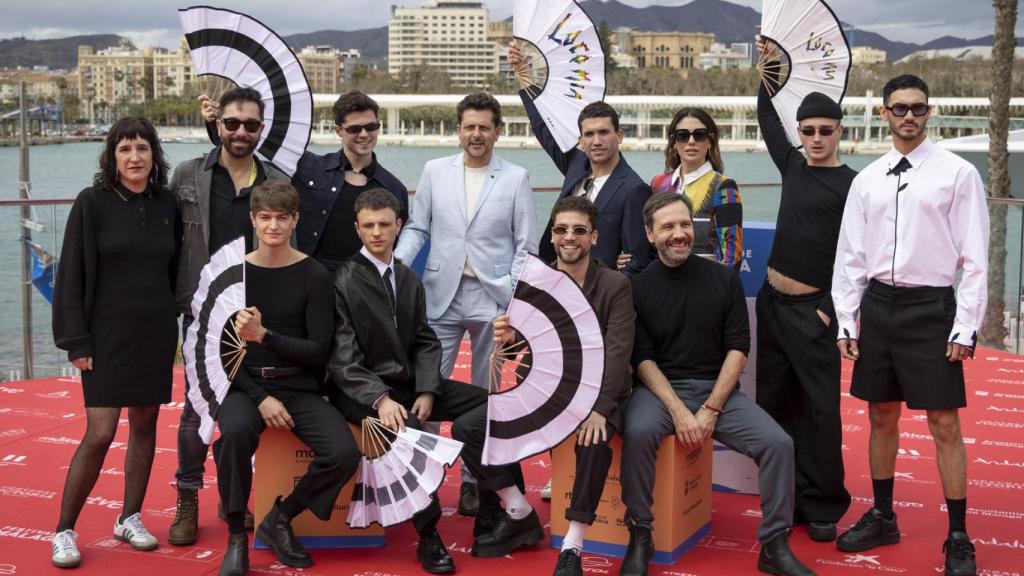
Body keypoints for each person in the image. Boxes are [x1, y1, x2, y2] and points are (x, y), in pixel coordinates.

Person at [330, 188, 540, 573]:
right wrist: (380, 399)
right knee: (412, 435)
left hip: (411, 385)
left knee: (488, 404)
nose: (377, 232)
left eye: (384, 224)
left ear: (398, 226)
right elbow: (343, 359)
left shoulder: (408, 277)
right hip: (364, 394)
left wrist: (428, 388)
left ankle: (500, 509)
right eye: (368, 225)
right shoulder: (343, 280)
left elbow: (425, 339)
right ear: (357, 229)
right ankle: (428, 537)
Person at [832, 74, 988, 576]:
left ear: (930, 112)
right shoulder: (866, 179)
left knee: (944, 422)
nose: (908, 116)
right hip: (878, 307)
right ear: (883, 113)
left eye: (918, 108)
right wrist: (846, 319)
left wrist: (966, 327)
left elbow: (976, 259)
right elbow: (851, 255)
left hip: (932, 308)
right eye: (899, 108)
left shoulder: (958, 174)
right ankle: (883, 516)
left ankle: (959, 536)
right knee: (880, 414)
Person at [619, 192, 814, 576]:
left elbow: (738, 348)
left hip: (716, 392)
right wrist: (677, 410)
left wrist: (710, 409)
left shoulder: (724, 279)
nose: (679, 234)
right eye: (668, 227)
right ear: (649, 234)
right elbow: (642, 359)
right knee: (639, 432)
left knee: (778, 444)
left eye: (685, 224)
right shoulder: (637, 289)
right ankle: (641, 532)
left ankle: (774, 544)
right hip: (660, 392)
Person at [394, 92, 537, 516]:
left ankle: (476, 480)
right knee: (428, 389)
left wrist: (512, 300)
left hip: (492, 299)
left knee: (484, 395)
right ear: (458, 130)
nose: (476, 134)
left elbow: (525, 246)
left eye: (484, 127)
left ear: (497, 131)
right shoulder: (435, 171)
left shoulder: (516, 177)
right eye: (469, 126)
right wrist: (395, 266)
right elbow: (418, 227)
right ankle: (424, 478)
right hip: (439, 292)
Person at [213, 180, 361, 576]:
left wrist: (266, 336)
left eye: (282, 218)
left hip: (299, 386)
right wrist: (260, 396)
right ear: (253, 220)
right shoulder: (234, 275)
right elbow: (220, 352)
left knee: (344, 454)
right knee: (235, 433)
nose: (273, 226)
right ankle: (235, 537)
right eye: (265, 218)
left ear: (295, 220)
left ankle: (281, 517)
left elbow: (318, 350)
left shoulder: (314, 275)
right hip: (245, 386)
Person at [51, 116, 180, 568]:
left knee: (145, 426)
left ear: (153, 155)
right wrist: (76, 341)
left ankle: (130, 517)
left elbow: (174, 267)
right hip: (104, 338)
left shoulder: (168, 204)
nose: (134, 157)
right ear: (112, 156)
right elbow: (72, 275)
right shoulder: (92, 203)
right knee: (100, 432)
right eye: (125, 149)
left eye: (142, 148)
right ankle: (64, 530)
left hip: (156, 333)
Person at [170, 87, 289, 546]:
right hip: (200, 311)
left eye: (251, 124)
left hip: (257, 314)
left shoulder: (275, 181)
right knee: (196, 408)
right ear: (218, 125)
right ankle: (187, 496)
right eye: (233, 123)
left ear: (262, 129)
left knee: (245, 407)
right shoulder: (186, 175)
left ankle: (233, 489)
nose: (241, 132)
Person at [492, 196, 634, 576]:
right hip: (548, 389)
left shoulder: (615, 285)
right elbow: (524, 347)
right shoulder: (536, 281)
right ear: (551, 236)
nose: (569, 238)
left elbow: (619, 353)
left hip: (598, 392)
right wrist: (507, 338)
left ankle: (572, 542)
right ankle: (517, 508)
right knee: (473, 426)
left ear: (594, 236)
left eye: (578, 230)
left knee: (594, 439)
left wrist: (599, 408)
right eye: (561, 230)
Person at [752, 35, 854, 542]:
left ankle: (823, 505)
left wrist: (832, 310)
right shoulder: (791, 164)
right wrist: (768, 70)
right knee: (775, 404)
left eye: (824, 131)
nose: (816, 138)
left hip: (813, 310)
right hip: (772, 305)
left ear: (840, 132)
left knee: (819, 412)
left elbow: (860, 257)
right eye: (808, 130)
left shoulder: (854, 185)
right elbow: (766, 119)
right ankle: (785, 498)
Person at [201, 89, 409, 273]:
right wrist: (217, 127)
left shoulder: (393, 187)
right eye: (354, 129)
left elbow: (397, 244)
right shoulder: (308, 167)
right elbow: (246, 153)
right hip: (309, 279)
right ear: (338, 131)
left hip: (362, 287)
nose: (364, 134)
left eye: (371, 127)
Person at [509, 42, 652, 278]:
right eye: (589, 134)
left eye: (604, 132)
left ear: (619, 136)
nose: (596, 141)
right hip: (553, 277)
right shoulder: (576, 165)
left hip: (598, 291)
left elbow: (635, 262)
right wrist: (526, 79)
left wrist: (607, 292)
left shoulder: (635, 190)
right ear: (581, 140)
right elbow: (543, 129)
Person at [649, 108, 742, 270]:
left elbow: (731, 256)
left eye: (699, 135)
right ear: (674, 141)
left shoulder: (723, 186)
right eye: (683, 136)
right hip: (661, 283)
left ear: (710, 140)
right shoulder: (658, 183)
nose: (691, 141)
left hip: (704, 285)